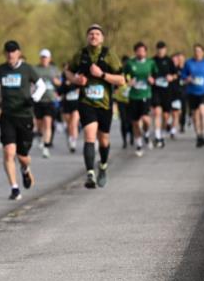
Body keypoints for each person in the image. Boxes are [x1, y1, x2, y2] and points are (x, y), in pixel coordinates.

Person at [64, 24, 125, 189]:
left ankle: (103, 166)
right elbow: (67, 72)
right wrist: (76, 80)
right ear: (87, 37)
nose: (94, 36)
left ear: (102, 38)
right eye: (91, 33)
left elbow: (121, 80)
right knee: (89, 136)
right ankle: (90, 173)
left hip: (104, 104)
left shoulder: (109, 54)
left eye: (97, 34)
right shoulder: (81, 54)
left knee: (103, 140)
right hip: (86, 102)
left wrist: (102, 75)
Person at [0, 41, 45, 200]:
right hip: (7, 116)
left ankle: (25, 169)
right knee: (8, 153)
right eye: (7, 52)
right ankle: (14, 188)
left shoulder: (27, 69)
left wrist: (34, 98)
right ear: (5, 53)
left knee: (23, 156)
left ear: (19, 53)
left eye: (13, 51)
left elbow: (41, 86)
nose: (10, 54)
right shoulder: (0, 70)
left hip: (24, 116)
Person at [181, 44, 204, 147]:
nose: (197, 53)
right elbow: (183, 74)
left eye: (198, 51)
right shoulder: (189, 63)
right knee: (195, 115)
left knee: (203, 113)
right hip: (192, 92)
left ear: (203, 52)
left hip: (203, 91)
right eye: (195, 51)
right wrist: (186, 78)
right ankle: (198, 135)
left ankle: (202, 134)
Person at [125, 42, 156, 156]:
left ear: (146, 52)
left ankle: (147, 133)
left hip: (145, 95)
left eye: (143, 51)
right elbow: (123, 77)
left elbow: (156, 75)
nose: (140, 53)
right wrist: (129, 82)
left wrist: (152, 80)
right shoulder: (130, 64)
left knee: (146, 119)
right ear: (135, 52)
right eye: (138, 51)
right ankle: (139, 145)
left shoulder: (150, 63)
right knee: (135, 123)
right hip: (133, 96)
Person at [32, 48, 60, 159]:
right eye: (42, 57)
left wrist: (55, 81)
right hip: (38, 100)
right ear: (40, 58)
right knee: (39, 125)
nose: (44, 59)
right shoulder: (35, 69)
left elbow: (60, 83)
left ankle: (46, 147)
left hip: (50, 100)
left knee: (48, 123)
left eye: (46, 57)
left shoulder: (54, 70)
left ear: (50, 58)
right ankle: (40, 136)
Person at [150, 41, 176, 148]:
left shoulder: (169, 60)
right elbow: (148, 73)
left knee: (165, 116)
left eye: (162, 49)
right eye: (158, 49)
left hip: (166, 91)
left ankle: (164, 128)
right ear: (156, 50)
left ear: (165, 50)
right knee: (157, 112)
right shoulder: (152, 61)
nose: (160, 51)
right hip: (155, 90)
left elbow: (175, 74)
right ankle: (157, 136)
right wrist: (150, 78)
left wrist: (171, 77)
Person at [58, 62, 81, 152]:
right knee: (69, 125)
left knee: (73, 124)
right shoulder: (63, 79)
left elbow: (81, 86)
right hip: (66, 104)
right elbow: (59, 91)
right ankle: (70, 137)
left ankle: (73, 142)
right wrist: (65, 85)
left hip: (76, 104)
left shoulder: (77, 78)